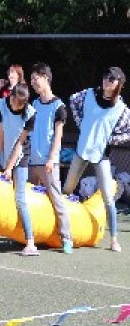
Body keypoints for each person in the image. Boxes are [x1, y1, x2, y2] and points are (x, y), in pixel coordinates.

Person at [62, 67, 130, 252]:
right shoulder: (89, 94)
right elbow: (72, 100)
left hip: (101, 156)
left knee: (108, 196)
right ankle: (63, 231)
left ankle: (114, 239)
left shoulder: (121, 109)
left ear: (119, 84)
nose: (107, 80)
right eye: (106, 77)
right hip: (81, 151)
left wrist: (111, 139)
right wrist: (81, 122)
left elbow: (127, 132)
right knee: (67, 189)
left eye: (112, 79)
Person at [29, 62, 73, 254]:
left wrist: (51, 158)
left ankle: (66, 238)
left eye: (35, 79)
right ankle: (30, 235)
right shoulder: (34, 104)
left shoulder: (59, 107)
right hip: (31, 161)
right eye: (31, 79)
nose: (33, 83)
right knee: (29, 199)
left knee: (56, 199)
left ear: (46, 78)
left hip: (48, 163)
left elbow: (58, 136)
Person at [0, 83, 39, 256]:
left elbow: (20, 143)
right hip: (3, 155)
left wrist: (10, 168)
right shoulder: (2, 105)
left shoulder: (30, 114)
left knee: (20, 198)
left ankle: (30, 242)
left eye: (19, 104)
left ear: (24, 103)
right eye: (13, 100)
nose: (15, 105)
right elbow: (0, 136)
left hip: (20, 159)